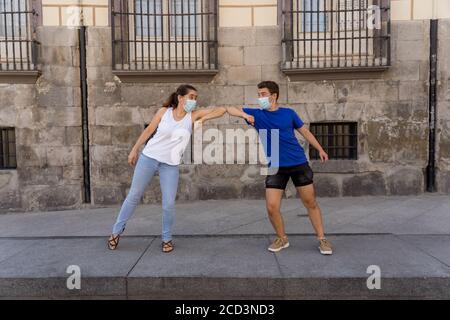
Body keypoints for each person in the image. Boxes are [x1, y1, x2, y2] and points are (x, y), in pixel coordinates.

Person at [108, 84, 226, 253]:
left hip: (169, 165)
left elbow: (221, 110)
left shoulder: (192, 116)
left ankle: (166, 238)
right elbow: (149, 130)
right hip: (148, 158)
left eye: (196, 97)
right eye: (191, 96)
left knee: (168, 204)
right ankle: (115, 232)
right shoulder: (164, 112)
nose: (194, 100)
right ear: (180, 98)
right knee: (134, 196)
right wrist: (134, 149)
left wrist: (204, 119)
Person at [226, 81, 333, 255]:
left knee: (310, 202)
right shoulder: (257, 115)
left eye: (262, 94)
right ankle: (282, 238)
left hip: (298, 162)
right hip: (275, 165)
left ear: (273, 96)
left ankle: (322, 239)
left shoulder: (288, 113)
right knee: (272, 206)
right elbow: (230, 108)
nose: (259, 97)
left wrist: (320, 149)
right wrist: (245, 116)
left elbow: (304, 132)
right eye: (259, 94)